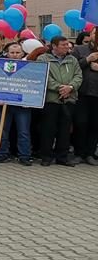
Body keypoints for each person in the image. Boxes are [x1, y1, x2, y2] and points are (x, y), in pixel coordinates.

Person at [38, 36, 82, 166]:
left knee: (65, 130)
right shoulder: (43, 59)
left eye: (67, 44)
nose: (67, 47)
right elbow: (44, 76)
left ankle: (62, 157)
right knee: (48, 129)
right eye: (63, 45)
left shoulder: (72, 60)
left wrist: (70, 87)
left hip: (69, 99)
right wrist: (60, 88)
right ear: (54, 46)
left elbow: (78, 76)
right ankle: (46, 157)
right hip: (51, 100)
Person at [0, 42, 32, 166]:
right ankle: (1, 154)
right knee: (2, 130)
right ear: (7, 54)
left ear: (22, 54)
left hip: (23, 105)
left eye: (17, 52)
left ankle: (24, 156)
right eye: (12, 52)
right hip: (4, 104)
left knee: (23, 131)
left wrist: (30, 100)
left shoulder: (30, 67)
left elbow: (33, 85)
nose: (15, 55)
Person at [72, 27, 98, 165]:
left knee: (95, 125)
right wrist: (87, 60)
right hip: (82, 93)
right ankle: (79, 153)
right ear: (91, 34)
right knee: (81, 123)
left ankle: (90, 153)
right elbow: (72, 67)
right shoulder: (79, 50)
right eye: (95, 32)